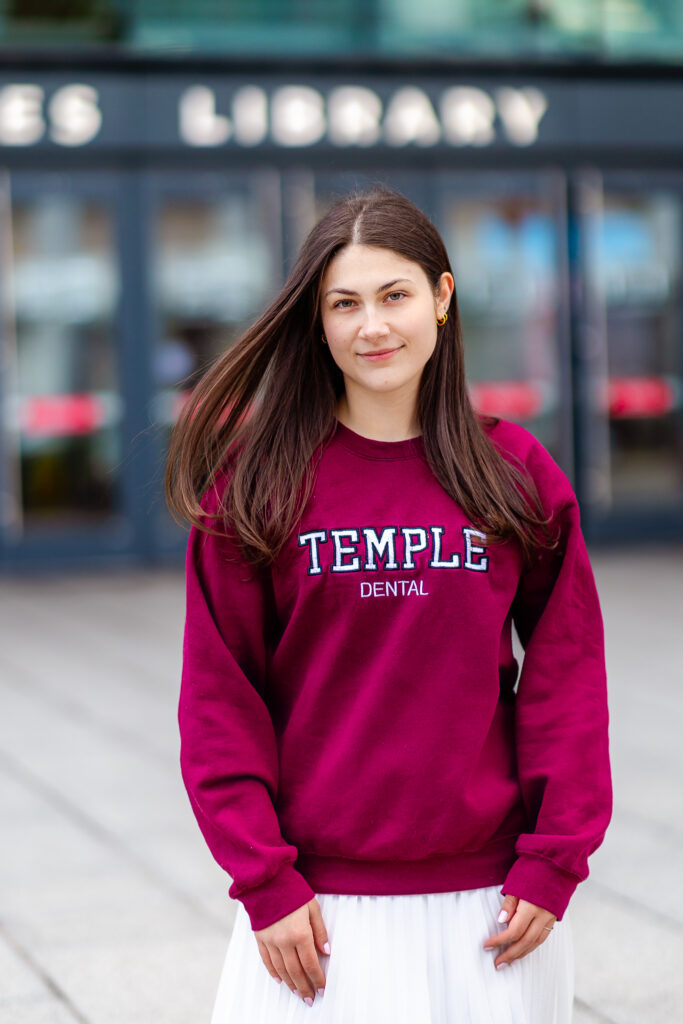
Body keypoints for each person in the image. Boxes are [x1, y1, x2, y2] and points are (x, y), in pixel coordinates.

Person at [165, 186, 612, 1023]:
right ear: (318, 322)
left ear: (441, 299)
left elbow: (567, 676)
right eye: (344, 304)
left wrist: (555, 860)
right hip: (314, 916)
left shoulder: (511, 474)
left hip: (493, 907)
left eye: (394, 295)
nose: (371, 326)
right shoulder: (257, 486)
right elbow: (219, 699)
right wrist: (264, 878)